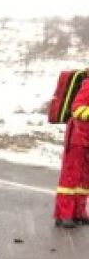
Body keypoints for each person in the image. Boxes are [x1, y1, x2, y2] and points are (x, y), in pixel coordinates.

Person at [55, 78, 89, 227]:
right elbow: (77, 108)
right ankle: (63, 215)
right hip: (77, 138)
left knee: (84, 178)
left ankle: (78, 212)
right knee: (70, 177)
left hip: (87, 139)